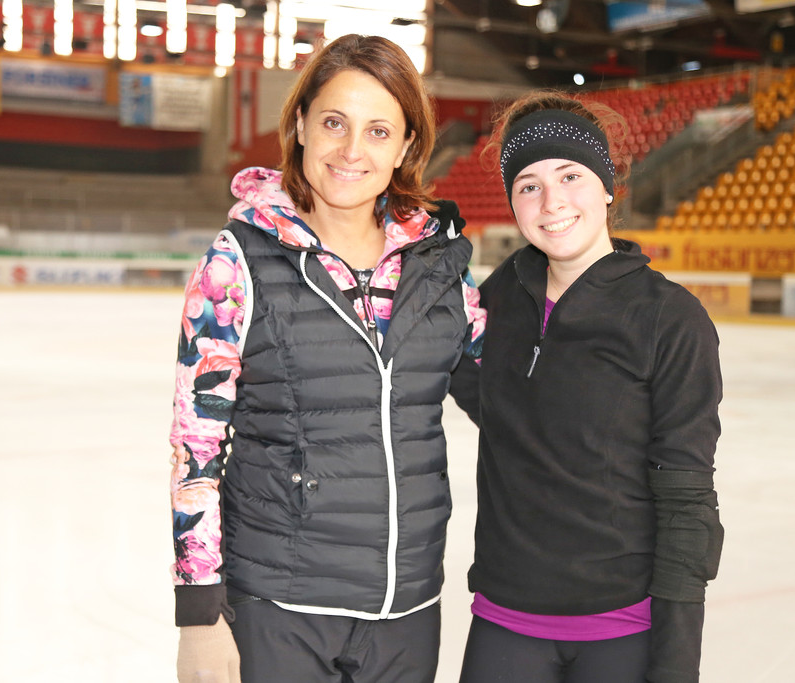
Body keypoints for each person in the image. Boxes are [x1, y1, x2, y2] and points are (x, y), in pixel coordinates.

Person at [169, 34, 485, 683]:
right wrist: (199, 614)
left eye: (378, 131)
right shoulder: (236, 262)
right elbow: (196, 446)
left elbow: (518, 397)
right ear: (301, 126)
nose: (351, 150)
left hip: (407, 611)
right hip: (279, 610)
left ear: (406, 147)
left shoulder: (441, 267)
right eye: (335, 123)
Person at [449, 91, 724, 683]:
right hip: (504, 619)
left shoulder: (669, 317)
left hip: (622, 629)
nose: (551, 202)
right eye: (529, 185)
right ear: (513, 203)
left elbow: (686, 498)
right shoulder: (499, 297)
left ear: (607, 186)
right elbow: (491, 399)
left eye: (570, 175)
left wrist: (675, 663)